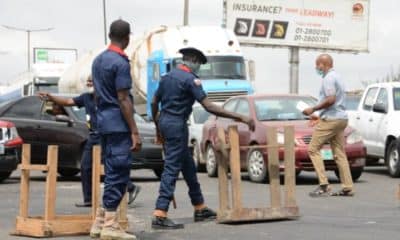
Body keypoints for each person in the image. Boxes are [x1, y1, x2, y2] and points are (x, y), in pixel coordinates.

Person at [151, 47, 255, 229]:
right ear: (191, 60)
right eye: (199, 63)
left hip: (166, 122)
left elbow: (154, 102)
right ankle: (160, 214)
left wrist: (158, 125)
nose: (198, 67)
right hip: (177, 125)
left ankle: (200, 207)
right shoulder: (191, 80)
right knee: (171, 169)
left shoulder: (166, 77)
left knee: (189, 167)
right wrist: (241, 117)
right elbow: (209, 106)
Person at [38, 79, 141, 208]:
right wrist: (51, 97)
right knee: (86, 166)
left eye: (92, 81)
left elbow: (126, 108)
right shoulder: (86, 97)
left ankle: (129, 187)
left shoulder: (107, 96)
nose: (89, 84)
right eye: (87, 82)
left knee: (110, 167)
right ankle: (88, 199)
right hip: (92, 137)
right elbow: (68, 101)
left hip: (105, 135)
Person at [90, 19, 141, 240]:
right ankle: (110, 226)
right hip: (118, 125)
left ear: (110, 35)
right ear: (127, 38)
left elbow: (96, 94)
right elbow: (123, 98)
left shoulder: (97, 60)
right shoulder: (120, 63)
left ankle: (100, 222)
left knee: (112, 172)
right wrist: (134, 131)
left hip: (103, 123)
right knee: (119, 174)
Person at [302, 54, 354, 197]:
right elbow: (335, 102)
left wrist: (313, 109)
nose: (316, 68)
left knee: (313, 149)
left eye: (317, 65)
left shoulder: (328, 79)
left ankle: (324, 184)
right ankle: (347, 187)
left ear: (323, 65)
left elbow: (331, 100)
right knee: (339, 153)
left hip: (332, 119)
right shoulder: (338, 77)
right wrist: (319, 116)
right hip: (341, 118)